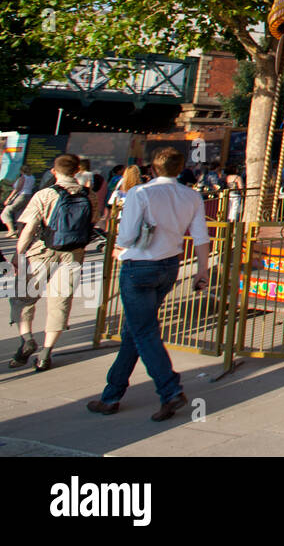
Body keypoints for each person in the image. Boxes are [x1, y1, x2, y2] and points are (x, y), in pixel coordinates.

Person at [87, 147, 210, 420]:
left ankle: (169, 389)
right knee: (135, 330)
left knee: (143, 331)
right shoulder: (191, 196)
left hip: (139, 266)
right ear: (180, 170)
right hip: (168, 265)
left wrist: (119, 247)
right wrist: (203, 269)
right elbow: (201, 236)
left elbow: (128, 235)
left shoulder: (140, 193)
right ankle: (112, 394)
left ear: (152, 169)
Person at [10, 154, 98, 372]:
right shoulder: (90, 195)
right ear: (77, 171)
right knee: (60, 303)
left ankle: (28, 340)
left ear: (53, 171)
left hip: (42, 252)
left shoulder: (45, 194)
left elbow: (29, 228)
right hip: (73, 255)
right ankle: (46, 354)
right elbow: (92, 223)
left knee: (23, 298)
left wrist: (18, 254)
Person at [1, 164, 35, 238]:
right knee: (19, 214)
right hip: (28, 196)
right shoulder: (32, 177)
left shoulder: (23, 178)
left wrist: (9, 198)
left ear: (21, 170)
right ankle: (20, 232)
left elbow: (18, 189)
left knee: (5, 213)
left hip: (21, 196)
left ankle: (11, 230)